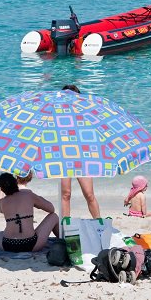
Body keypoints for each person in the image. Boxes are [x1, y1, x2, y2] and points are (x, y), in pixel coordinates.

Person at [60, 84, 101, 219]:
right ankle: (66, 225)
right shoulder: (59, 115)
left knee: (89, 194)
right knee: (66, 193)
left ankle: (98, 222)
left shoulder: (85, 114)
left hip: (82, 156)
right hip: (65, 156)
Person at [0, 173, 59, 252]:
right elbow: (51, 209)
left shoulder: (2, 202)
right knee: (54, 216)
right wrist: (37, 200)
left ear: (2, 189)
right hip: (30, 244)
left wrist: (1, 192)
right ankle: (63, 240)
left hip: (8, 245)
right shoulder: (28, 195)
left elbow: (0, 209)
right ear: (15, 182)